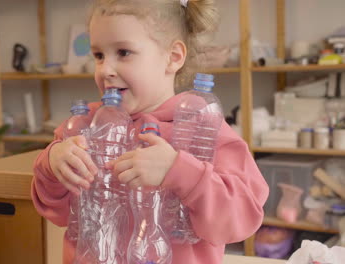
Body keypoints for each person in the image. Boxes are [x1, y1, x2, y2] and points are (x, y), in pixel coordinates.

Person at [31, 0, 269, 263]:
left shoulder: (204, 126)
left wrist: (180, 172)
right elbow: (59, 213)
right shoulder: (83, 126)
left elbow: (241, 219)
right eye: (98, 55)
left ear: (173, 57)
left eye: (123, 52)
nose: (105, 70)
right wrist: (51, 165)